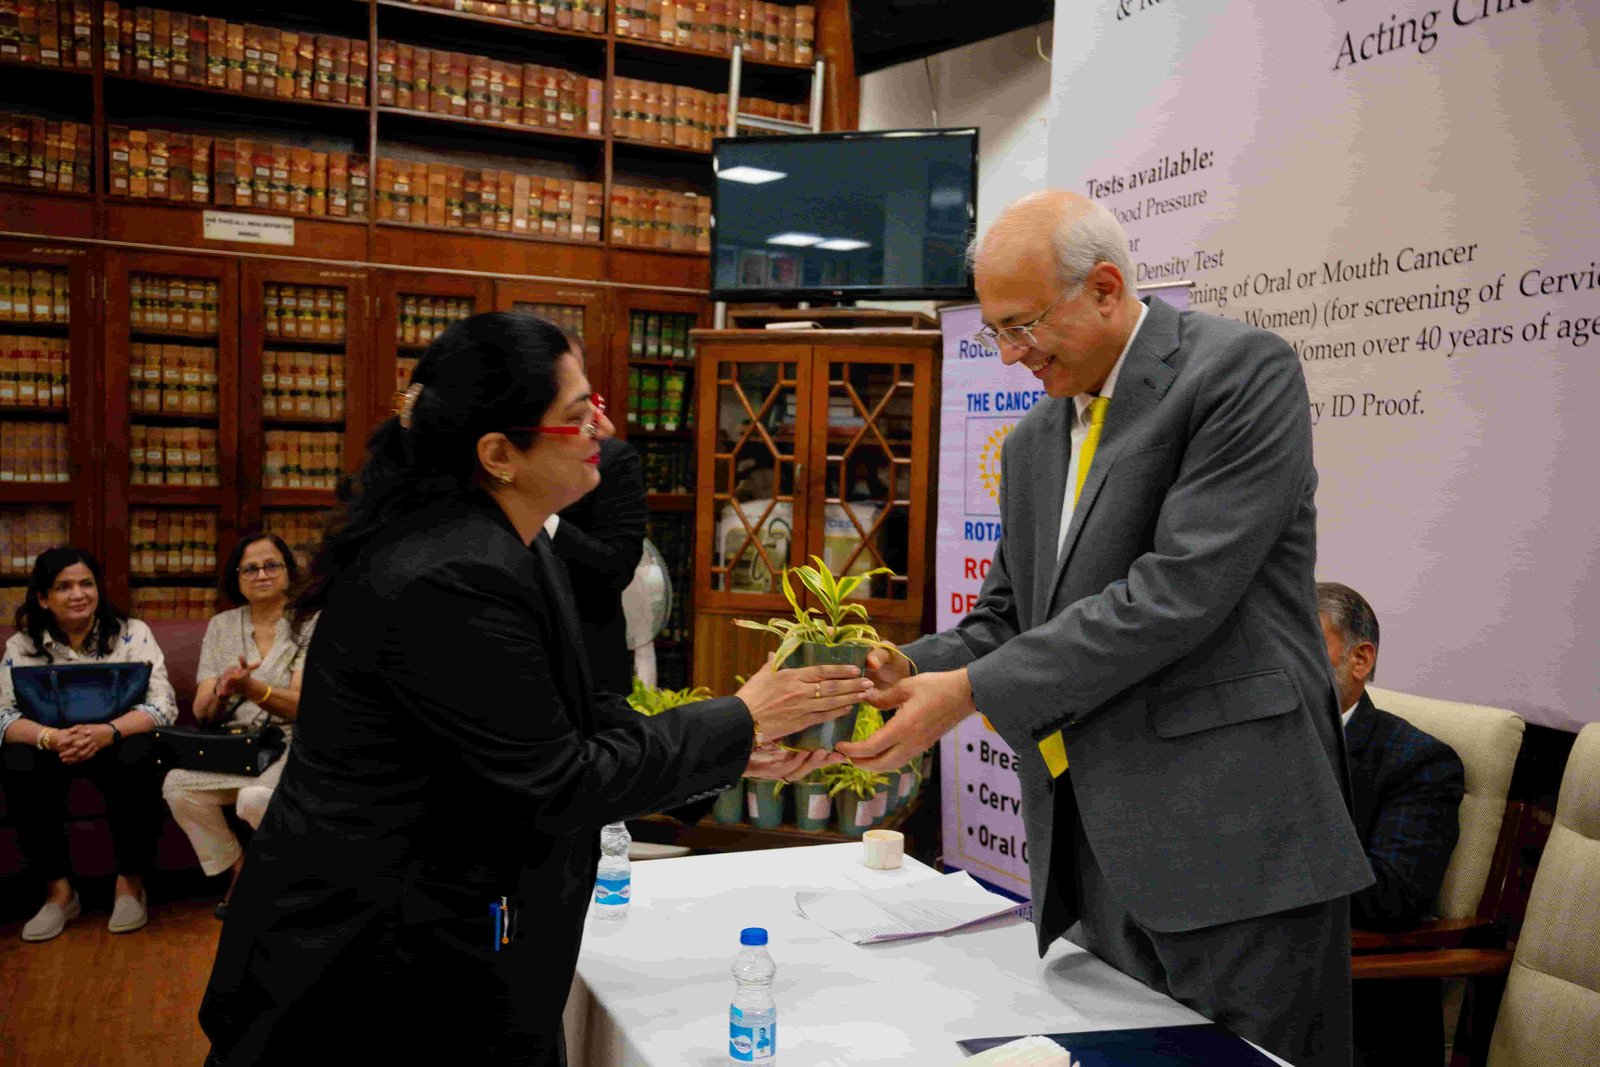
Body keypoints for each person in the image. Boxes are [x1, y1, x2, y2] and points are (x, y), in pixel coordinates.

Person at [198, 312, 864, 1065]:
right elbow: (556, 778)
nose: (600, 429)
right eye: (576, 415)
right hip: (370, 971)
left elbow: (567, 711)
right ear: (499, 454)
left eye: (595, 405)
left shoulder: (511, 542)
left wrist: (735, 744)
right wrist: (739, 719)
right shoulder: (445, 574)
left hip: (444, 936)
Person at [838, 191, 1373, 1067]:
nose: (1010, 355)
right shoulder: (1034, 440)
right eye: (995, 333)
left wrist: (966, 691)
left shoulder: (1239, 373)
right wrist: (897, 670)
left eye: (1023, 326)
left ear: (1106, 288)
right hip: (1095, 851)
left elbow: (1176, 593)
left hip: (1235, 844)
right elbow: (1009, 618)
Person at [1319, 581, 1465, 1067]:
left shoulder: (1418, 762)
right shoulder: (1252, 743)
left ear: (1359, 660)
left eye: (1302, 645)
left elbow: (1392, 895)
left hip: (1350, 1001)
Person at [0, 547, 178, 942]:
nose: (78, 594)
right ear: (43, 598)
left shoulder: (133, 633)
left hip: (116, 739)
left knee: (140, 754)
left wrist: (108, 732)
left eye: (86, 583)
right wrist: (50, 737)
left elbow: (163, 706)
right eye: (64, 587)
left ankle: (130, 886)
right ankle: (60, 894)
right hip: (53, 744)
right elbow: (3, 716)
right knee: (17, 761)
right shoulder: (21, 646)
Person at [162, 532, 315, 921]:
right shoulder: (222, 626)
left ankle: (289, 887)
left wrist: (253, 688)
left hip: (292, 743)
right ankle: (242, 872)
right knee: (178, 786)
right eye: (250, 569)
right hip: (238, 745)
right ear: (237, 578)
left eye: (271, 565)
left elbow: (303, 706)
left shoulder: (310, 621)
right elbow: (203, 713)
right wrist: (223, 690)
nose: (261, 575)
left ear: (288, 571)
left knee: (254, 799)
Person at [547, 425, 648, 697]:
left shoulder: (612, 458)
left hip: (587, 667)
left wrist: (539, 517)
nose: (604, 424)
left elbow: (617, 568)